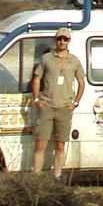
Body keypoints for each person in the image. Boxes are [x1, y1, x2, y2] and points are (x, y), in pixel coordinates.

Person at [30, 27, 85, 177]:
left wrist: (75, 103)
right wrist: (37, 99)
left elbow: (81, 82)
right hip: (47, 106)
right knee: (40, 144)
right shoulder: (46, 58)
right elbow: (37, 79)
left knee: (60, 145)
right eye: (59, 39)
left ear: (68, 41)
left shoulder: (74, 61)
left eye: (65, 39)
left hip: (64, 108)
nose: (62, 42)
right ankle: (35, 178)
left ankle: (57, 176)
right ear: (56, 40)